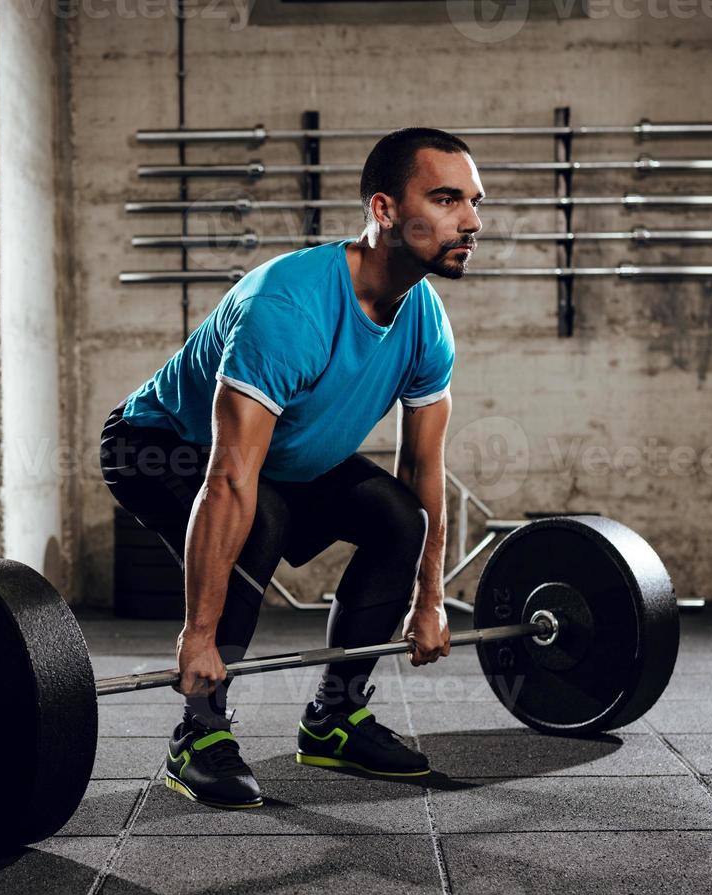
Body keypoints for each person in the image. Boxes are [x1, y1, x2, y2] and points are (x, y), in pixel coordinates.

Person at [99, 127, 483, 809]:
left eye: (474, 201)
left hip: (283, 456)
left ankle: (335, 719)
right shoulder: (288, 307)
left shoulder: (427, 322)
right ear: (385, 209)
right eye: (447, 198)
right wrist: (198, 638)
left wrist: (429, 602)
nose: (472, 221)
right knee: (262, 516)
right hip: (156, 446)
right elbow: (229, 481)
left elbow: (425, 470)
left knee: (401, 517)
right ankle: (201, 731)